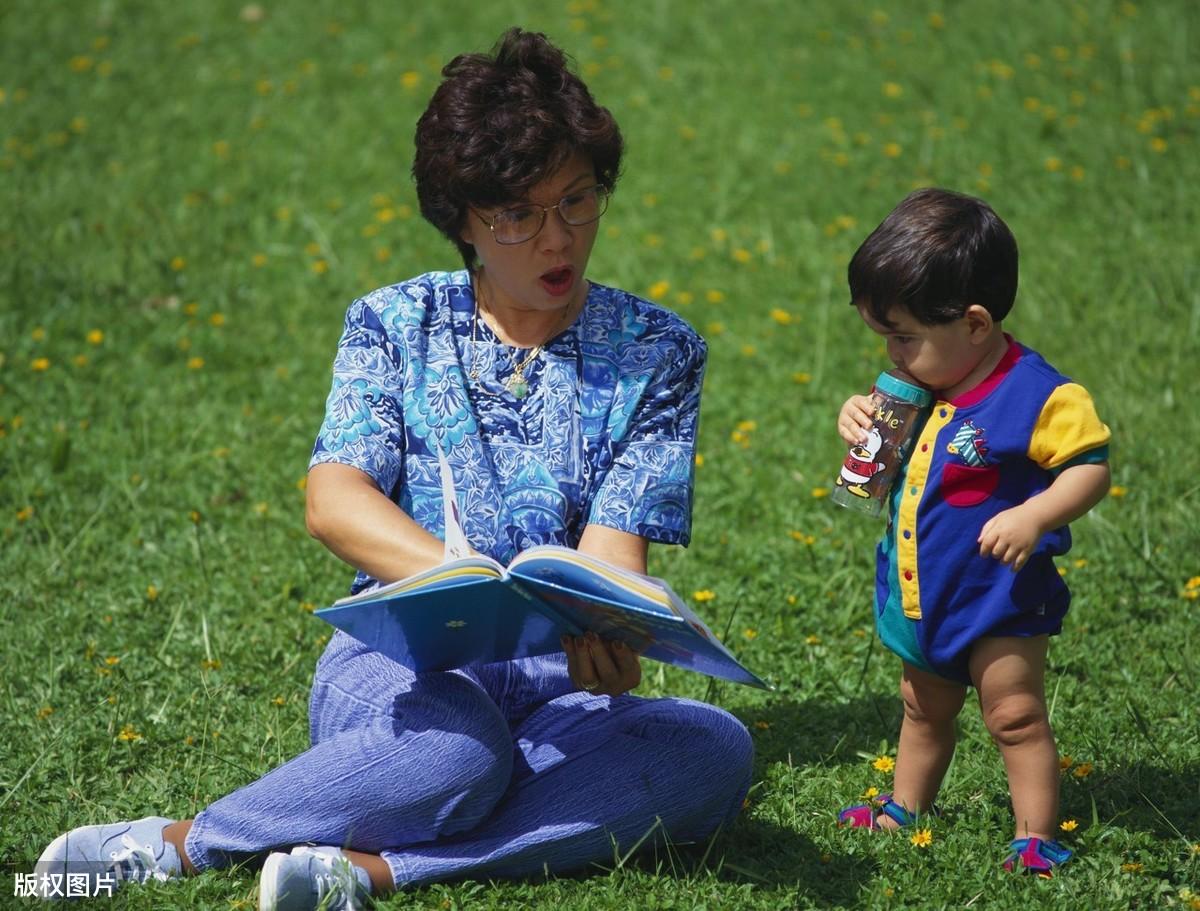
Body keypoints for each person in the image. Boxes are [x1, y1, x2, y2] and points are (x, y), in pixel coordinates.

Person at [35, 28, 752, 909]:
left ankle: (372, 869)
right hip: (404, 663)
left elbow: (612, 557)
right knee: (460, 751)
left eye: (577, 200)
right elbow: (334, 500)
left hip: (561, 689)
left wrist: (612, 644)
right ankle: (183, 843)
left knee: (715, 749)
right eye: (518, 215)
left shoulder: (658, 351)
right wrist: (468, 584)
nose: (557, 238)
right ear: (462, 219)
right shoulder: (392, 323)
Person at [833, 188, 1110, 876]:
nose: (892, 354)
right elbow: (896, 455)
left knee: (1014, 715)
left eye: (903, 336)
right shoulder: (923, 380)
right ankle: (906, 805)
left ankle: (1036, 834)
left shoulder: (1039, 394)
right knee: (921, 708)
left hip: (998, 596)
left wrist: (1035, 514)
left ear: (976, 323)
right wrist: (856, 420)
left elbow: (1090, 469)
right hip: (925, 589)